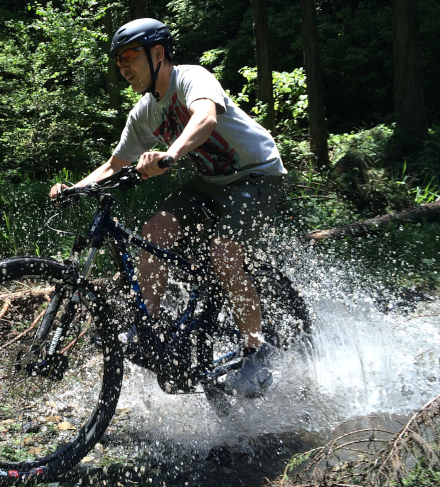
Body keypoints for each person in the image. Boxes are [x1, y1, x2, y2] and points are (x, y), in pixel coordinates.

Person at [50, 18, 286, 396]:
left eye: (129, 56)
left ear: (157, 53)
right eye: (118, 61)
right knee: (153, 232)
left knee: (224, 256)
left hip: (255, 174)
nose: (123, 66)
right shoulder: (143, 113)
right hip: (209, 183)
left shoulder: (191, 78)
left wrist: (171, 154)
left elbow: (206, 117)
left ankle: (257, 354)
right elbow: (114, 165)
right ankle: (149, 330)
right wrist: (73, 189)